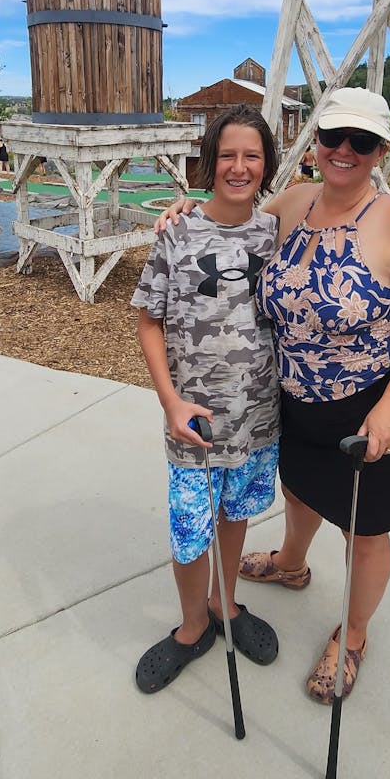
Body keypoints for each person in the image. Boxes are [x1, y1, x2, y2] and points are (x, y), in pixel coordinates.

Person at [157, 87, 390, 704]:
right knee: (300, 490)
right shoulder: (292, 205)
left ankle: (356, 635)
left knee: (364, 530)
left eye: (361, 141)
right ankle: (292, 562)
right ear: (315, 142)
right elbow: (229, 217)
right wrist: (184, 209)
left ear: (380, 151)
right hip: (290, 399)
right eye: (333, 136)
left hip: (368, 405)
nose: (344, 151)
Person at [131, 104, 282, 693]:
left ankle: (225, 604)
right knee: (191, 528)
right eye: (227, 155)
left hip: (259, 418)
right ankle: (193, 626)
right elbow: (148, 319)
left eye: (251, 156)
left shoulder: (276, 233)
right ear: (208, 162)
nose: (238, 167)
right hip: (194, 423)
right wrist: (169, 401)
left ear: (266, 163)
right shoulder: (179, 232)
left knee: (236, 513)